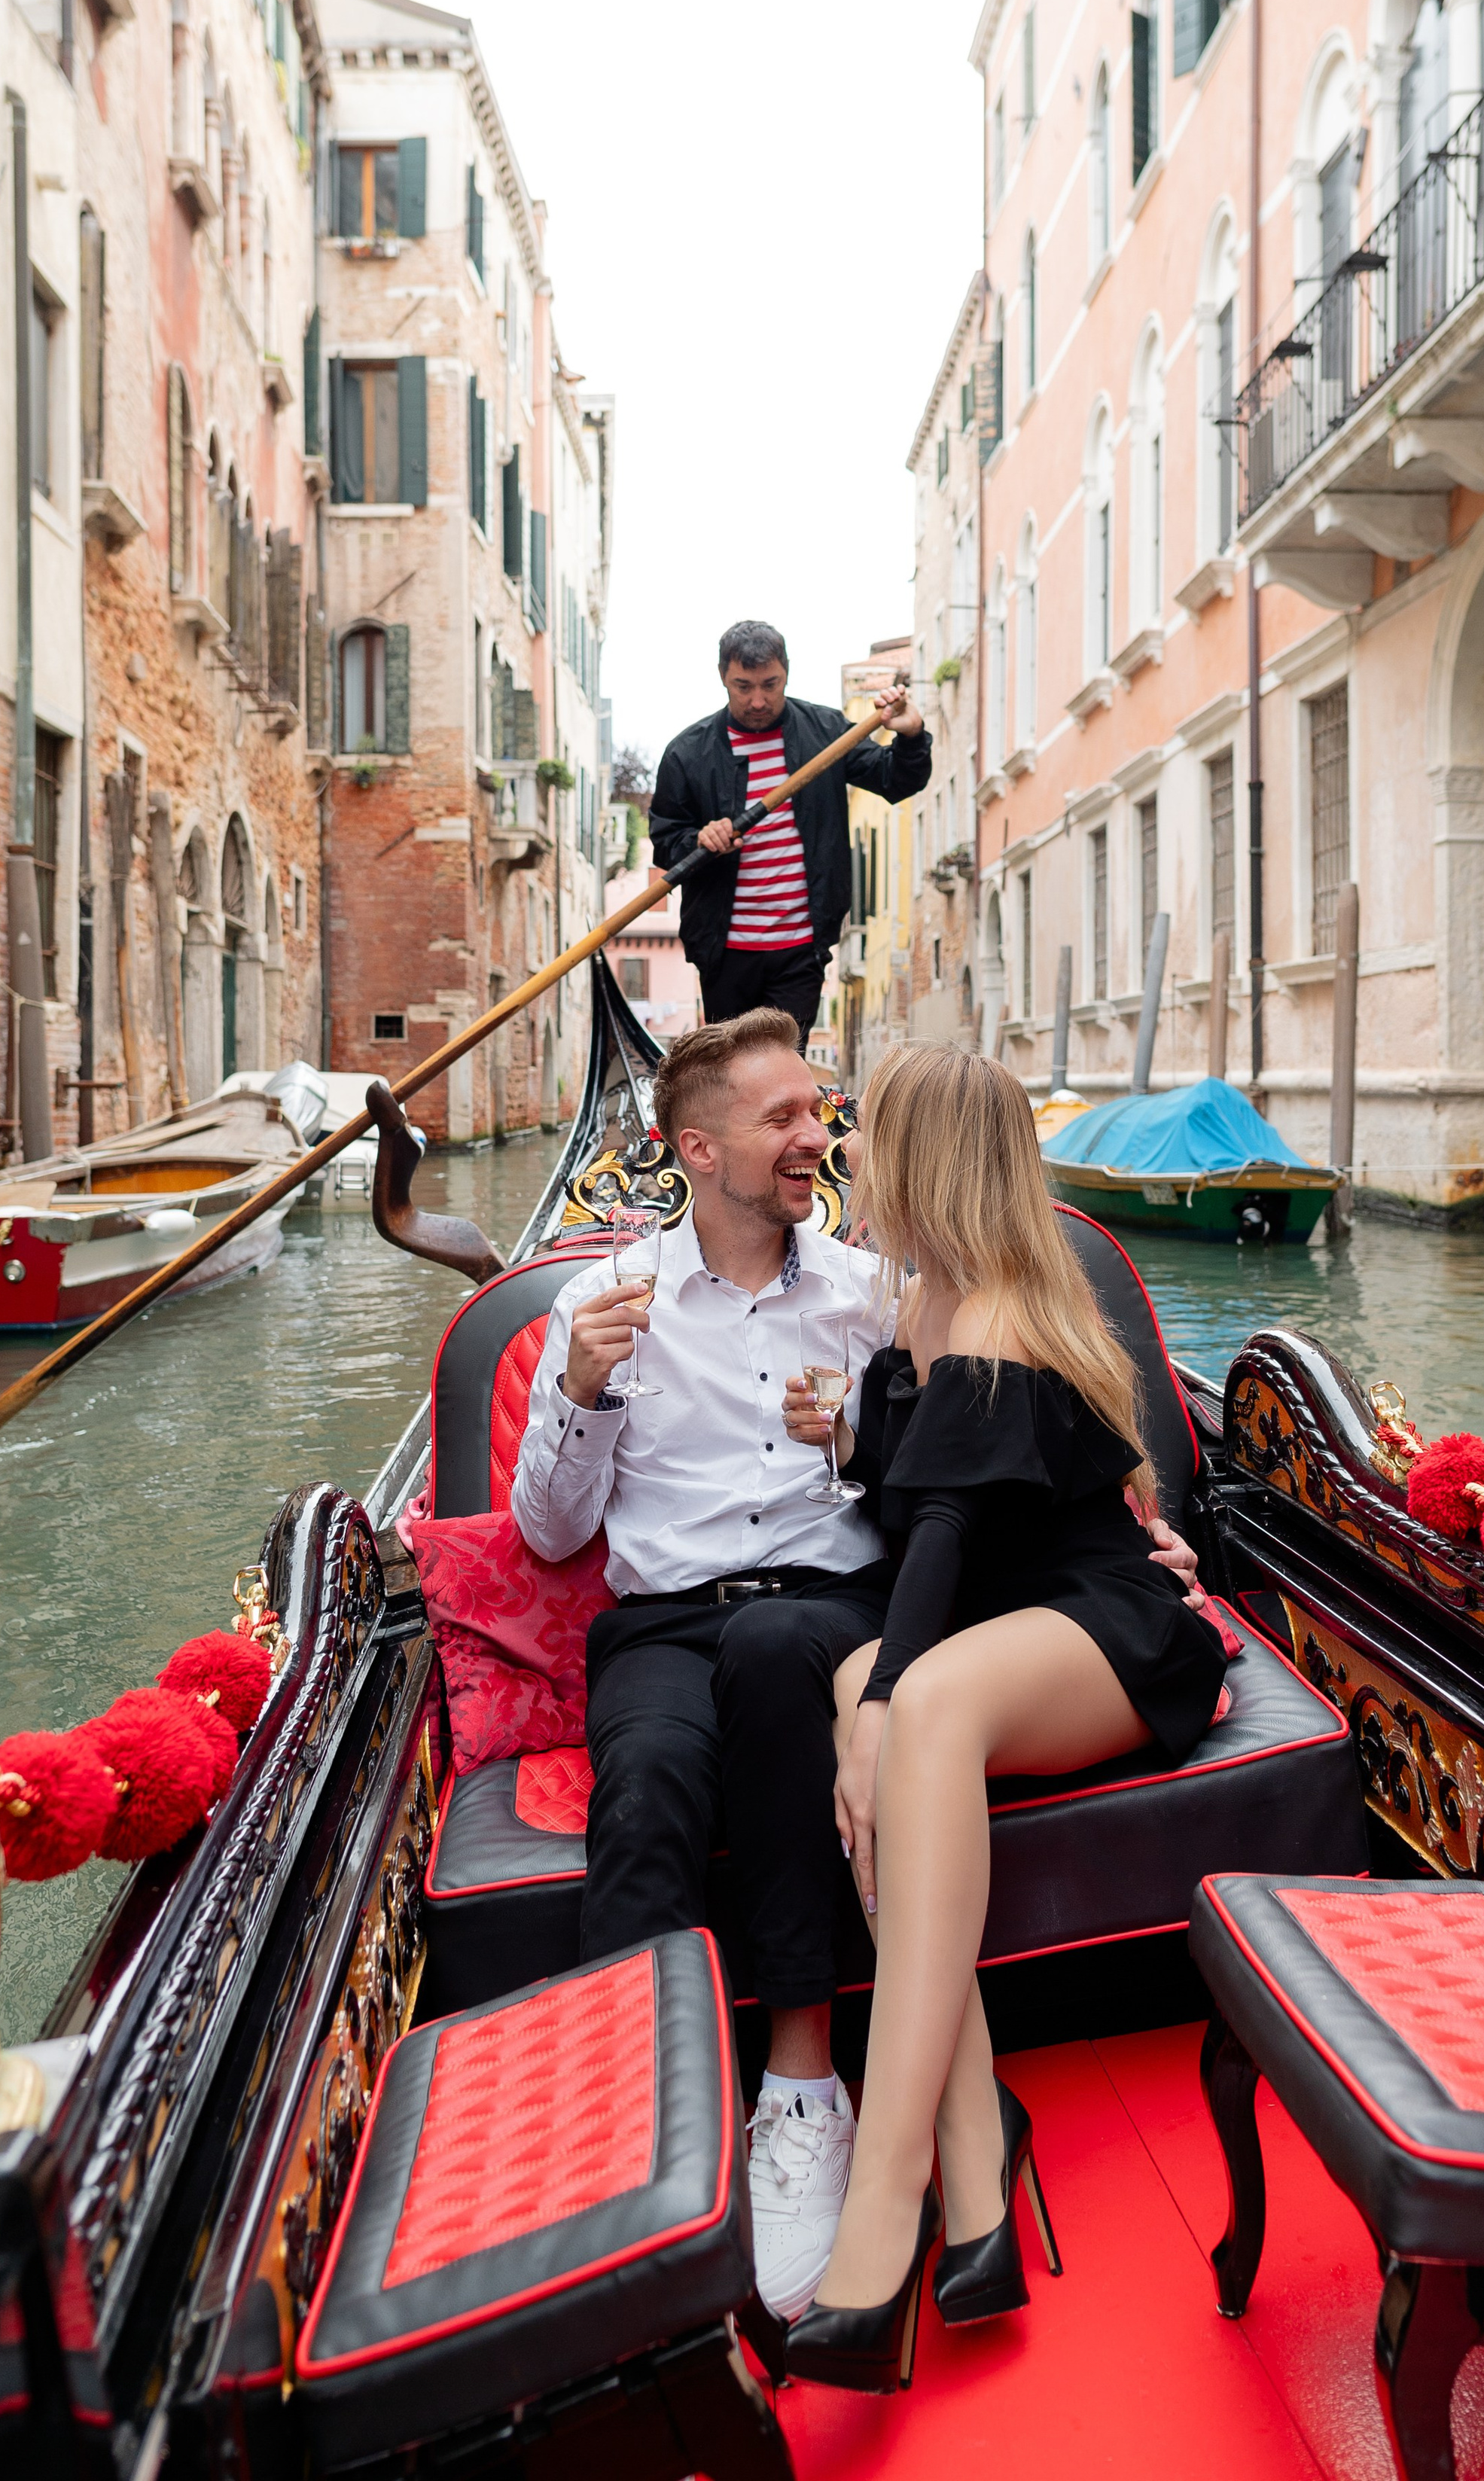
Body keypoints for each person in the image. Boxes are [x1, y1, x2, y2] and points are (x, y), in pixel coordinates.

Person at [779, 1043, 1230, 2392]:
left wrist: (883, 1709)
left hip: (1115, 1631)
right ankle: (980, 2148)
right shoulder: (930, 1301)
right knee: (867, 1682)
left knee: (912, 1701)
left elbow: (943, 1549)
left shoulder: (996, 1319)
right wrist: (854, 1443)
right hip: (1013, 1624)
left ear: (921, 1159)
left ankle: (892, 2188)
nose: (847, 1151)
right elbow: (932, 1500)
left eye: (866, 1134)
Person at [510, 1007, 894, 2326]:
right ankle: (635, 2116)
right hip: (665, 1619)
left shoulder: (867, 1294)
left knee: (785, 1650)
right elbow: (550, 1532)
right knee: (654, 1770)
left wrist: (859, 1440)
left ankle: (801, 2084)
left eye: (819, 1109)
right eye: (783, 1116)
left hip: (825, 1606)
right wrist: (585, 1391)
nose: (815, 1133)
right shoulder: (603, 1299)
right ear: (699, 1146)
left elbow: (924, 1501)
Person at [649, 620, 931, 1046]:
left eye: (770, 684)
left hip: (801, 947)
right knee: (733, 1072)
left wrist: (910, 734)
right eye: (743, 686)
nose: (758, 700)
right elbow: (666, 844)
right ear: (723, 677)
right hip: (724, 951)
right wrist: (700, 841)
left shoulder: (827, 732)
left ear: (787, 673)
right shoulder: (688, 753)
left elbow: (896, 781)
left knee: (785, 1066)